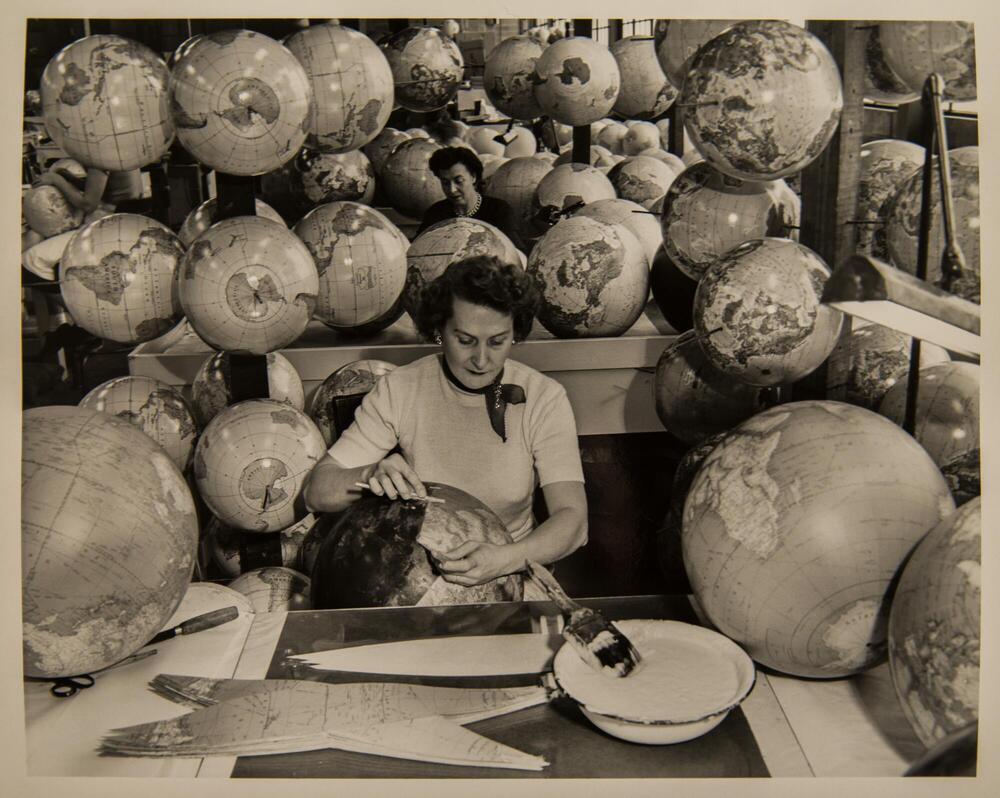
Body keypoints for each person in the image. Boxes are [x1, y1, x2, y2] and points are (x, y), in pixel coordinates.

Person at [303, 255, 587, 590]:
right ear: (439, 331)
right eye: (465, 340)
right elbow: (316, 492)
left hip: (514, 569)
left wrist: (505, 559)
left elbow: (574, 521)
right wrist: (366, 476)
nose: (481, 360)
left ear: (516, 333)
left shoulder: (544, 397)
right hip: (418, 577)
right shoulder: (401, 387)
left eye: (497, 341)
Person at [22, 163, 145, 281]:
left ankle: (71, 300)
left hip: (105, 228)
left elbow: (87, 205)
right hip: (123, 223)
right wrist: (71, 180)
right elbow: (106, 188)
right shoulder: (120, 152)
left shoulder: (99, 155)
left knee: (32, 259)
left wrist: (56, 180)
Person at [418, 146, 528, 253]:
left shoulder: (499, 210)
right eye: (445, 183)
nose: (452, 190)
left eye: (459, 181)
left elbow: (516, 254)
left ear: (473, 177)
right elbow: (417, 252)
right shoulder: (435, 213)